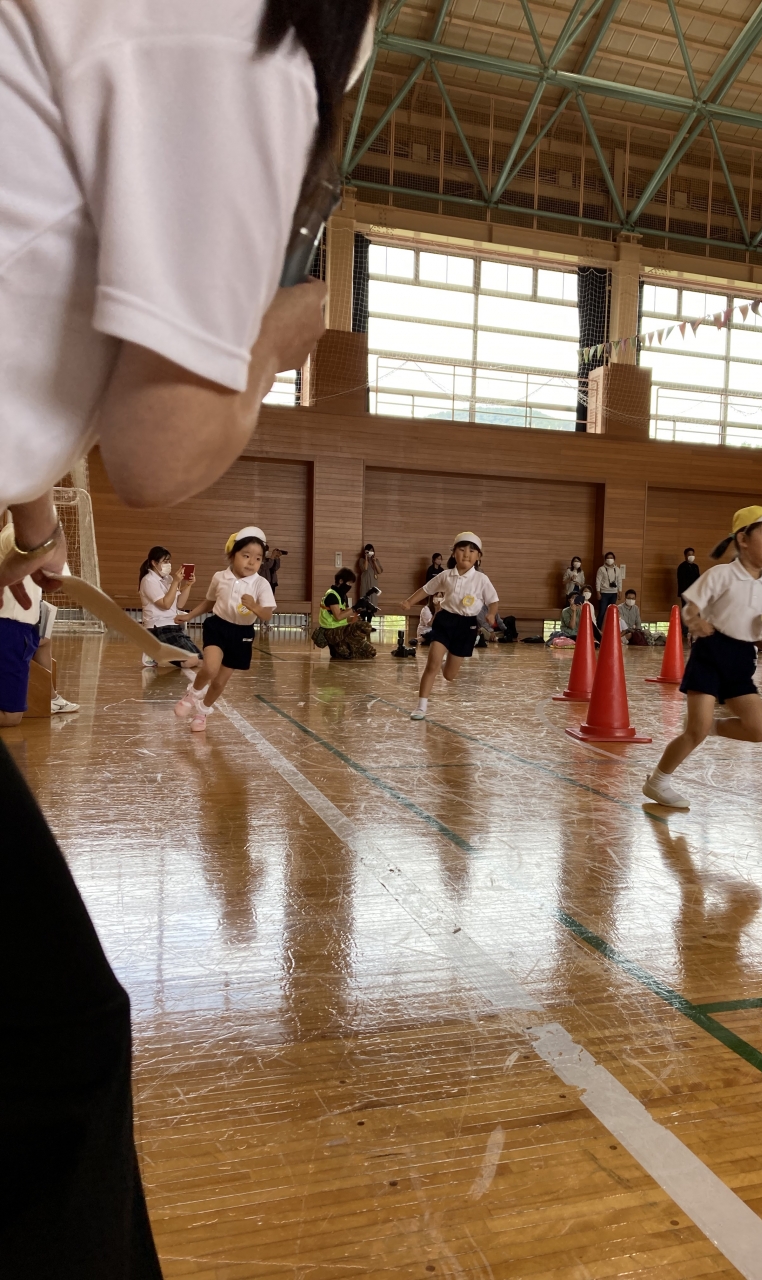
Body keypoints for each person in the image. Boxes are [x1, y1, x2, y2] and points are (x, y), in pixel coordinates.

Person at [0, 4, 375, 1270]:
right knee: (51, 1050)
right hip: (205, 624)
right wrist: (272, 341)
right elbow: (161, 451)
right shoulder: (246, 33)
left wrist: (37, 516)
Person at [642, 505, 762, 810]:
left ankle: (711, 725)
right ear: (743, 539)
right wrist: (695, 622)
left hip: (741, 662)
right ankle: (657, 782)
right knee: (694, 732)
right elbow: (690, 609)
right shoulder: (721, 575)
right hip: (710, 654)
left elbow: (758, 634)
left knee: (759, 729)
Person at [175, 527, 276, 731]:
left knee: (219, 682)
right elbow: (209, 602)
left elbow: (267, 614)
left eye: (257, 558)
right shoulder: (219, 577)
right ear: (232, 554)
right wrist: (190, 615)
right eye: (246, 556)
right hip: (218, 627)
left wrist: (255, 607)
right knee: (210, 668)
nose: (251, 562)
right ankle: (192, 694)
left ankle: (202, 712)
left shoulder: (261, 584)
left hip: (242, 635)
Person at [402, 533, 498, 720]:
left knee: (449, 675)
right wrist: (409, 602)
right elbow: (426, 590)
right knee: (432, 664)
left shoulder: (482, 579)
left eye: (472, 551)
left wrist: (492, 613)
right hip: (445, 621)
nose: (466, 554)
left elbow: (493, 600)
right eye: (461, 549)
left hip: (467, 626)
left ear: (478, 556)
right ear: (453, 553)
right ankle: (421, 707)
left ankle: (447, 664)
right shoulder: (445, 575)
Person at [0, 520, 79, 724]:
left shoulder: (29, 544)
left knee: (44, 641)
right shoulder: (18, 540)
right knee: (11, 718)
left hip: (23, 629)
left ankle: (52, 698)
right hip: (11, 629)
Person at [138, 546, 201, 671]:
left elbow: (180, 604)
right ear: (154, 563)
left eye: (169, 561)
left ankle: (156, 649)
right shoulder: (148, 580)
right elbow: (165, 604)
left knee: (200, 659)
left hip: (173, 625)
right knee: (192, 660)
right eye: (165, 561)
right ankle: (155, 650)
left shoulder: (168, 579)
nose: (168, 564)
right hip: (158, 627)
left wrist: (188, 585)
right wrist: (176, 582)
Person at [311, 568, 377, 660]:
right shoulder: (331, 595)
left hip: (342, 629)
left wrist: (359, 615)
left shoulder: (343, 596)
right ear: (341, 581)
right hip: (330, 630)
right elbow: (338, 617)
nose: (350, 586)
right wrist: (354, 608)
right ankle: (342, 645)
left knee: (371, 652)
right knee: (365, 626)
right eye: (349, 583)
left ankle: (341, 648)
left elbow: (346, 617)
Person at [595, 551, 623, 630]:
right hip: (604, 593)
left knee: (611, 611)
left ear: (614, 559)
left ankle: (609, 628)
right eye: (608, 558)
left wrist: (620, 591)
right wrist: (598, 592)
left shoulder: (617, 569)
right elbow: (598, 581)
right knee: (602, 611)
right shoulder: (601, 569)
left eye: (611, 558)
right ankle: (599, 629)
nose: (609, 559)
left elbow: (619, 581)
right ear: (605, 559)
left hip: (614, 593)